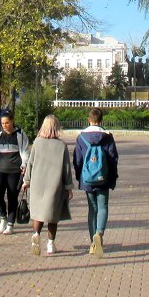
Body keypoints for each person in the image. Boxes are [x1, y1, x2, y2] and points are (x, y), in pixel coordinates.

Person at [22, 114, 74, 256]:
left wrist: (26, 181)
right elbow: (66, 169)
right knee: (52, 215)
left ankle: (36, 234)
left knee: (38, 213)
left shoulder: (37, 143)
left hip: (37, 182)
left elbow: (30, 164)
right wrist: (68, 186)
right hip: (54, 184)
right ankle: (50, 244)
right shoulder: (61, 145)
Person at [72, 107, 119, 256]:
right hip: (103, 178)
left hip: (88, 179)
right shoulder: (108, 136)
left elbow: (77, 160)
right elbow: (113, 158)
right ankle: (99, 234)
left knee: (92, 209)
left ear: (89, 119)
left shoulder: (81, 137)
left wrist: (81, 176)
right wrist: (112, 176)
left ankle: (93, 242)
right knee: (103, 206)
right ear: (101, 120)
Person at [0, 110, 29, 235]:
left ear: (12, 121)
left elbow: (25, 152)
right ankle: (3, 217)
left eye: (7, 123)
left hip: (14, 172)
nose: (5, 126)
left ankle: (10, 223)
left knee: (12, 197)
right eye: (3, 123)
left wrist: (24, 164)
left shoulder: (20, 134)